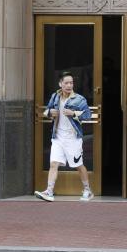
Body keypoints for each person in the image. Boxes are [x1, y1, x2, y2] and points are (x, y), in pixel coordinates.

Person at [34, 71, 93, 202]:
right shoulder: (55, 97)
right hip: (57, 137)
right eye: (66, 83)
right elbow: (46, 111)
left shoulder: (79, 99)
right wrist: (49, 113)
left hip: (73, 138)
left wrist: (74, 113)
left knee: (78, 165)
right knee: (54, 163)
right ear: (60, 84)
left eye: (71, 83)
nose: (69, 85)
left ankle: (87, 190)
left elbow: (88, 115)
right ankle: (49, 191)